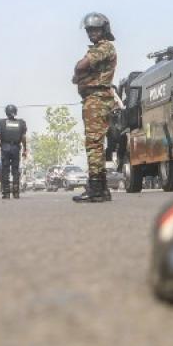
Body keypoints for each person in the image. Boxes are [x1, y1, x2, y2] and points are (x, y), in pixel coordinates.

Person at [71, 12, 118, 203]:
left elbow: (81, 66)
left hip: (97, 99)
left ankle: (96, 188)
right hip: (95, 98)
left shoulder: (104, 47)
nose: (91, 33)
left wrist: (79, 73)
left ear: (104, 29)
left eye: (95, 29)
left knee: (93, 144)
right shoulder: (100, 48)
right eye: (89, 30)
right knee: (96, 143)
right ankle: (101, 187)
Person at [0, 104, 28, 199]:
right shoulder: (21, 123)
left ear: (6, 112)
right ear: (15, 112)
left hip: (5, 147)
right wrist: (25, 149)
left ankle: (6, 192)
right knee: (15, 170)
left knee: (5, 170)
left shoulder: (1, 122)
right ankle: (16, 192)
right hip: (16, 148)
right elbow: (23, 138)